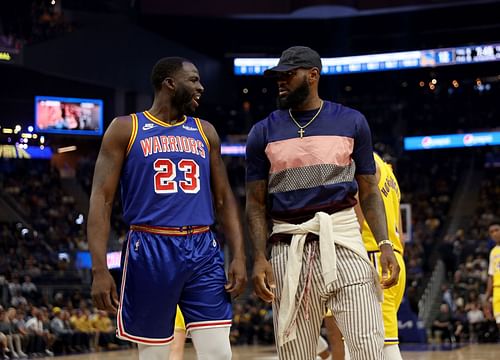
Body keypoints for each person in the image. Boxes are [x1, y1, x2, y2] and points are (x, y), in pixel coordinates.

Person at [246, 46, 400, 360]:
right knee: (296, 354)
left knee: (369, 347)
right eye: (279, 76)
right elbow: (255, 203)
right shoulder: (262, 131)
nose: (281, 81)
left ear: (313, 75)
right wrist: (259, 257)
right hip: (288, 247)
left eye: (289, 74)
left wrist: (384, 243)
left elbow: (369, 191)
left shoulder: (352, 121)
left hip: (344, 240)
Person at [88, 56, 247, 360]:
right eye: (194, 80)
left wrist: (239, 255)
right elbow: (102, 200)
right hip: (150, 246)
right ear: (170, 84)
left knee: (219, 353)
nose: (200, 87)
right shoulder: (125, 128)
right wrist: (99, 269)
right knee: (156, 356)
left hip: (202, 246)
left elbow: (224, 198)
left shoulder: (206, 131)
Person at [327, 153, 406, 359]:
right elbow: (402, 233)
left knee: (382, 344)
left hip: (372, 257)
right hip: (393, 257)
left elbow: (358, 216)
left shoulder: (361, 160)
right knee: (369, 343)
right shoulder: (389, 174)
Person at [484, 220, 500, 334]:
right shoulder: (493, 252)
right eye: (491, 232)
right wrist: (486, 297)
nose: (494, 233)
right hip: (497, 290)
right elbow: (491, 275)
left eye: (497, 230)